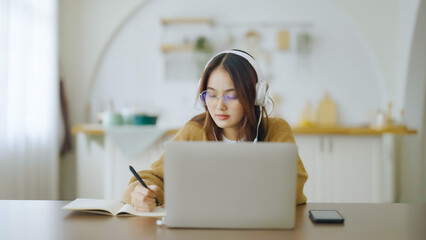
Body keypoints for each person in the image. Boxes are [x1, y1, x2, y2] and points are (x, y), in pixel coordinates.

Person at [122, 49, 308, 212]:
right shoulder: (194, 130)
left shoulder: (275, 130)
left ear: (255, 95)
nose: (219, 106)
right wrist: (141, 195)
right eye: (211, 94)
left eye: (231, 95)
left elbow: (294, 188)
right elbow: (151, 177)